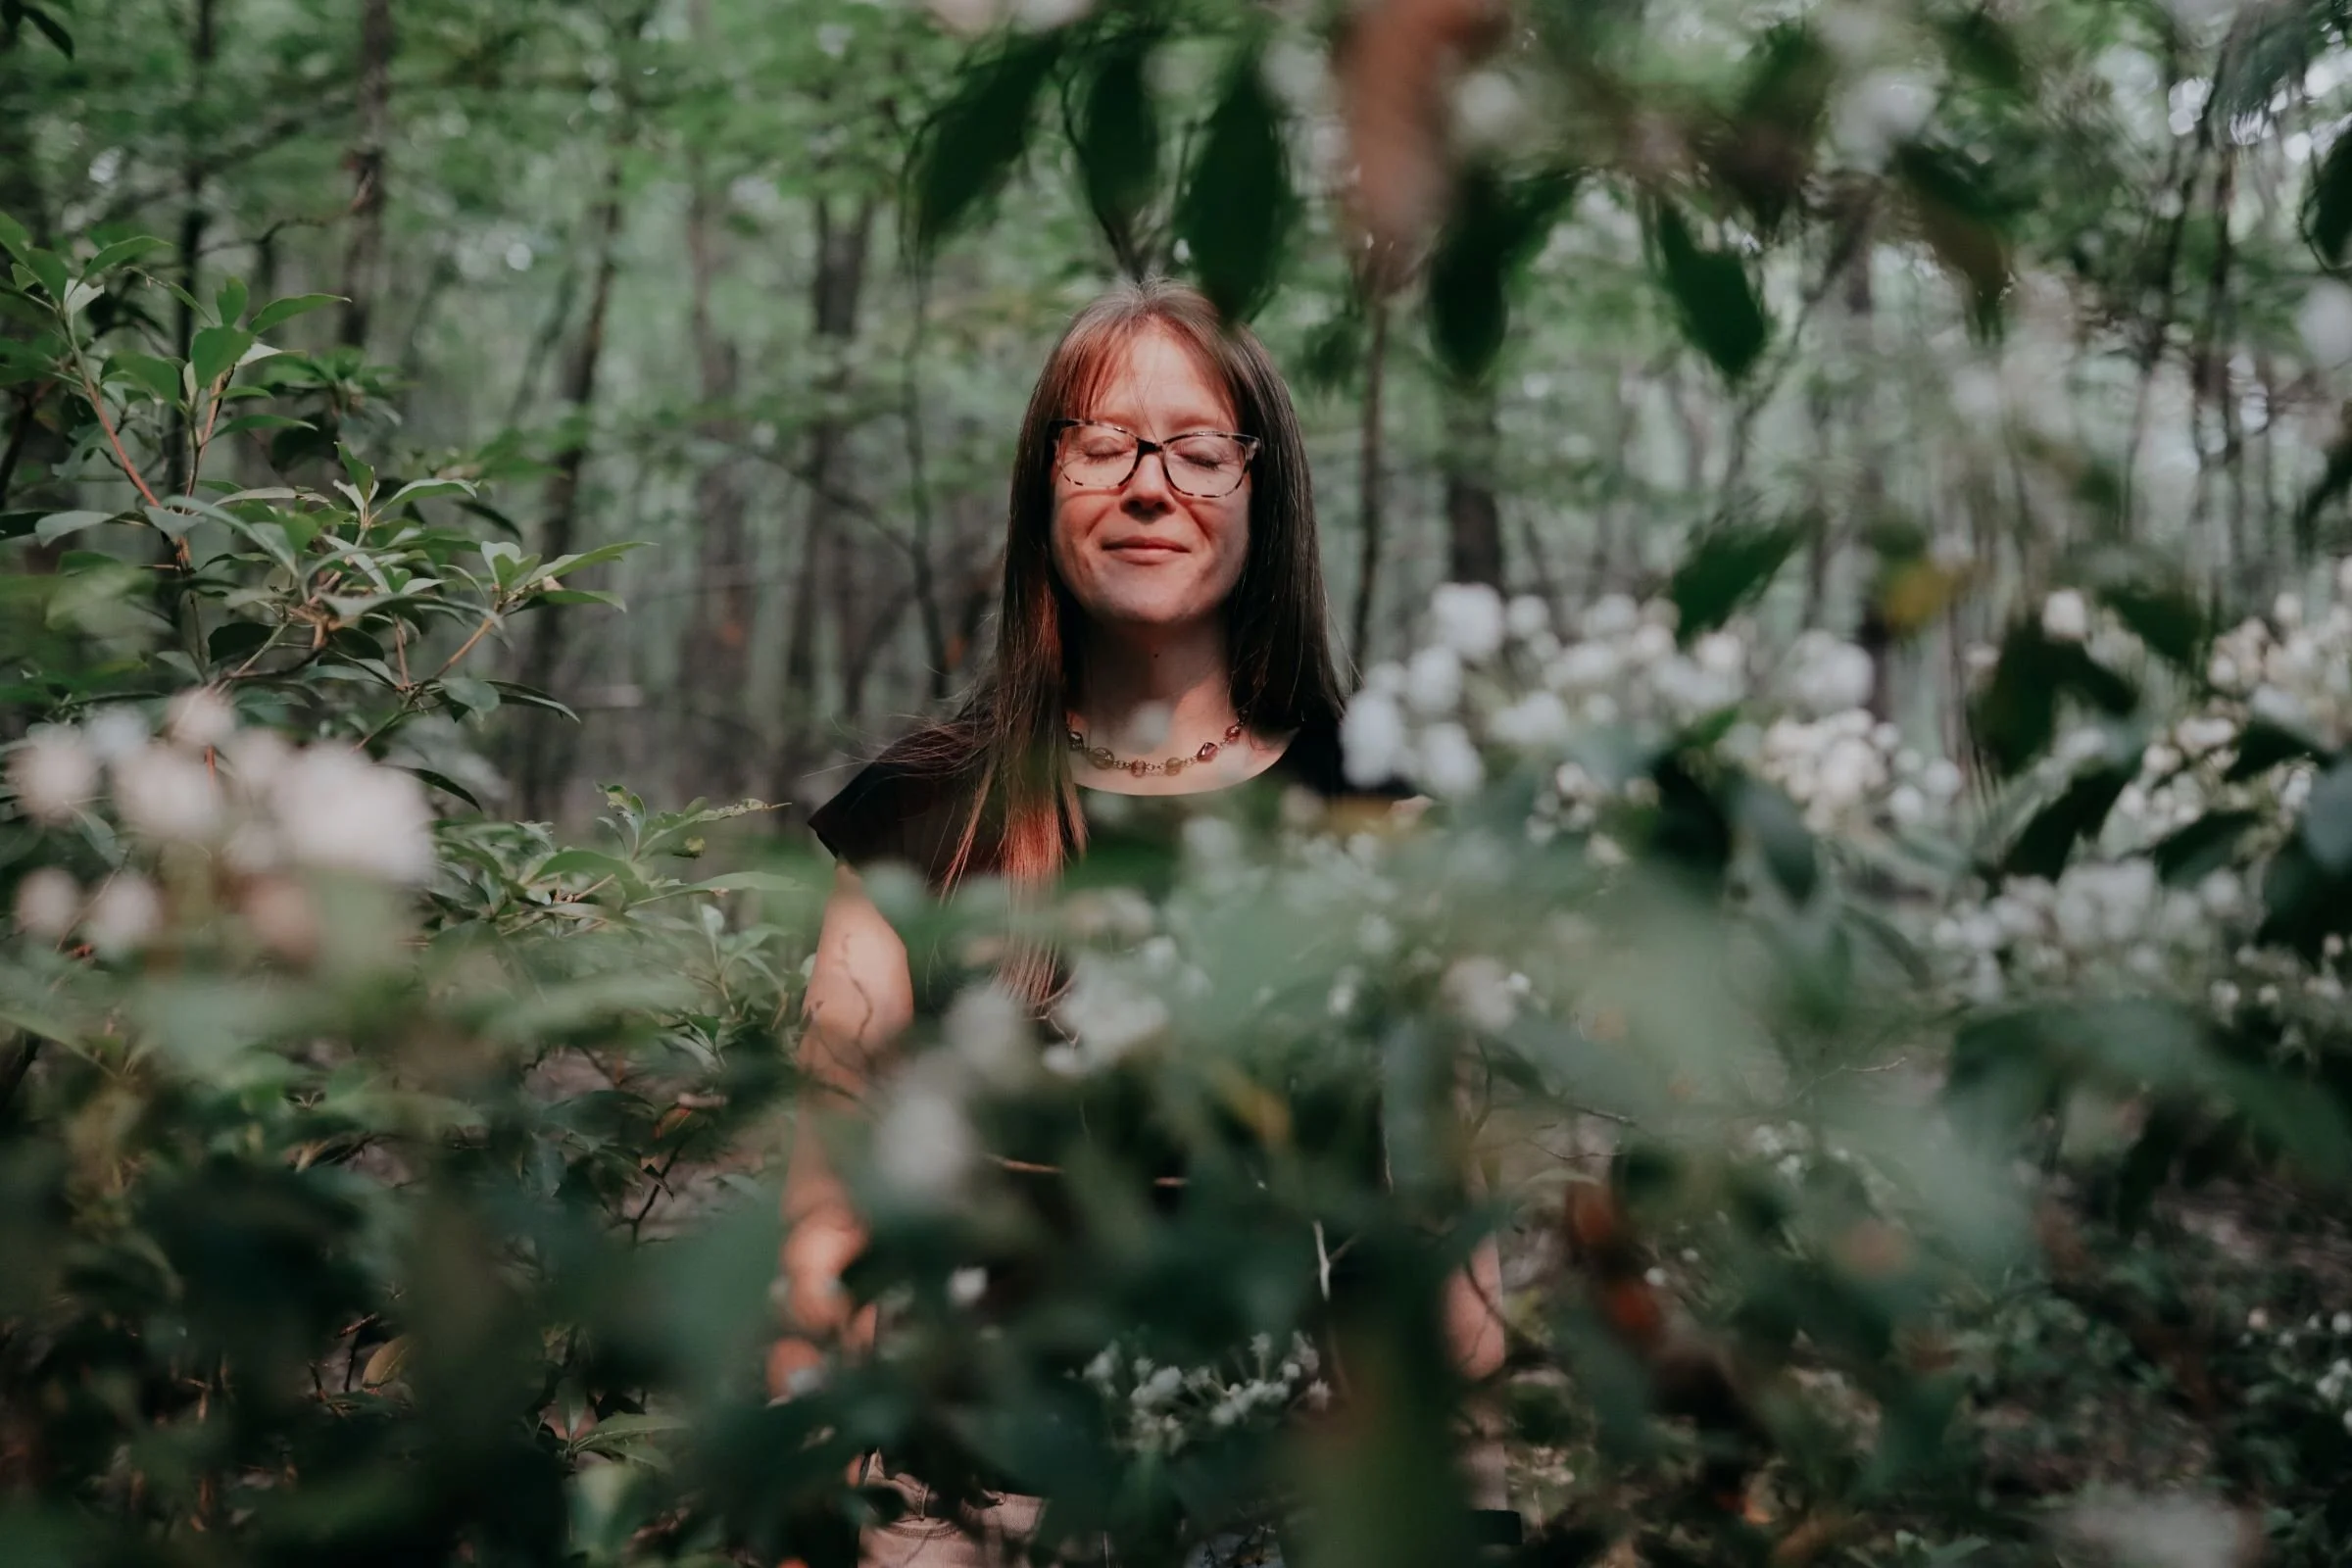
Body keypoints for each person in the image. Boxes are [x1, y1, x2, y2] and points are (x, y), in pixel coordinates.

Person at [774, 278, 1507, 1567]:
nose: (1150, 483)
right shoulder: (914, 817)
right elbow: (830, 1217)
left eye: (1200, 447)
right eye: (1103, 441)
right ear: (1043, 484)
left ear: (1259, 489)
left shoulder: (1376, 814)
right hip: (969, 1495)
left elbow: (1443, 1242)